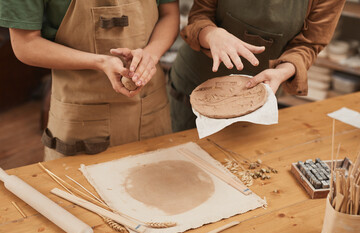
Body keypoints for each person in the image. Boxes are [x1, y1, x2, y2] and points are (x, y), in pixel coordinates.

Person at [0, 0, 179, 160]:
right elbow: (25, 43)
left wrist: (150, 55)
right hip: (81, 117)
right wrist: (101, 62)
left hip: (151, 111)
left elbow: (169, 14)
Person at [167, 0, 345, 132]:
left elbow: (309, 43)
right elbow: (199, 16)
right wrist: (211, 34)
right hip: (196, 89)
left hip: (257, 100)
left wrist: (284, 70)